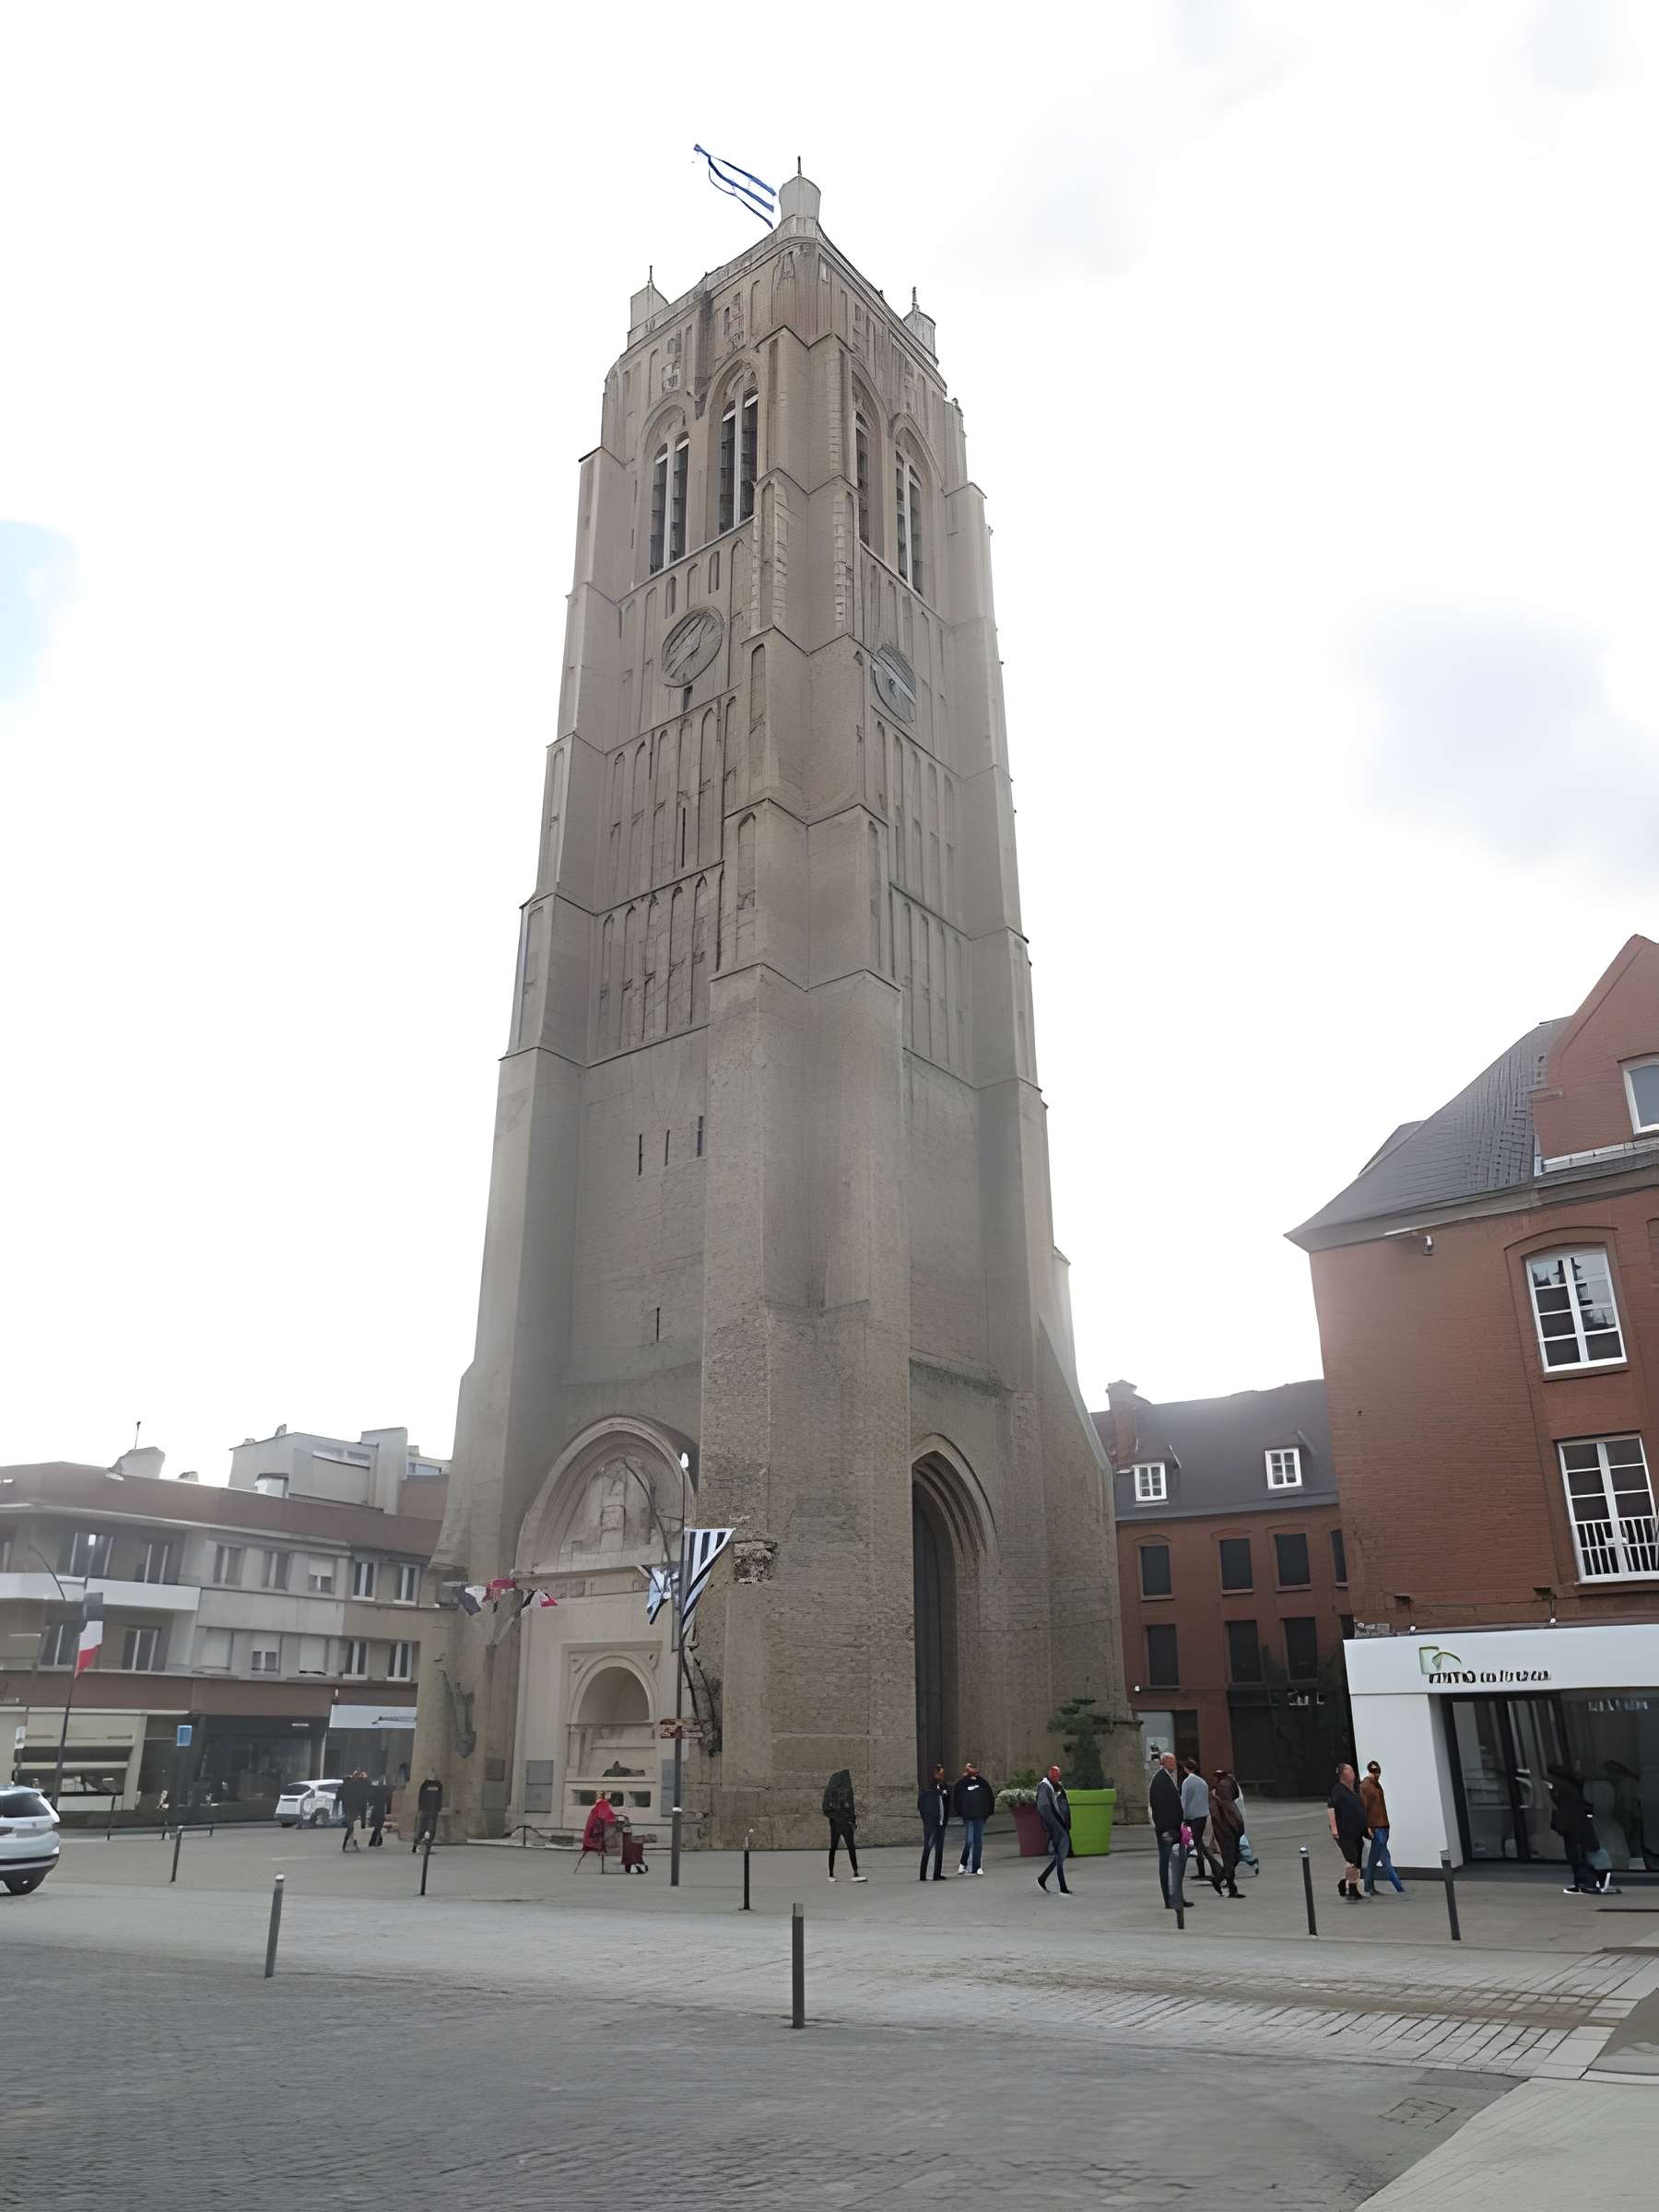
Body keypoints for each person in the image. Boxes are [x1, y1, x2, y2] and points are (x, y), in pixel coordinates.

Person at [1549, 1766, 1619, 1895]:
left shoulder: (1562, 1789)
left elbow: (1567, 1811)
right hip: (1575, 1827)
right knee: (1579, 1855)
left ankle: (1587, 1882)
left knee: (1579, 1856)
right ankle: (1584, 1882)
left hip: (1574, 1827)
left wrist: (1559, 1824)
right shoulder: (1571, 1788)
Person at [1149, 1751, 1192, 1909]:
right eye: (1172, 1762)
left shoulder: (1166, 1778)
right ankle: (1170, 1899)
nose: (1175, 1765)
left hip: (1172, 1829)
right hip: (1167, 1830)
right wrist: (1167, 1829)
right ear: (1165, 1762)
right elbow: (1160, 1807)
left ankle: (1176, 1897)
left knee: (1177, 1864)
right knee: (1168, 1864)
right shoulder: (1160, 1780)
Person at [1359, 1761, 1405, 1894]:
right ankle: (1399, 1887)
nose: (1376, 1774)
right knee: (1385, 1859)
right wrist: (1368, 1826)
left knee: (1373, 1860)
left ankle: (1368, 1886)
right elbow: (1364, 1807)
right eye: (1374, 1772)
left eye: (1377, 1772)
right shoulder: (1366, 1786)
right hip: (1377, 1828)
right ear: (1370, 1771)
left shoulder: (1376, 1785)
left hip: (1383, 1826)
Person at [1180, 1759, 1223, 1893]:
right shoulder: (1202, 1782)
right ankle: (1204, 1869)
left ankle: (1215, 1867)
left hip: (1191, 1817)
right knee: (1196, 1843)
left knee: (1192, 1842)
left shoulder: (1187, 1782)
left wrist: (1183, 1817)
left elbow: (1184, 1801)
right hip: (1202, 1815)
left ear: (1186, 1769)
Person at [1328, 1762, 1369, 1900]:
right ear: (1342, 1775)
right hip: (1344, 1832)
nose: (1352, 1774)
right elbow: (1331, 1809)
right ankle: (1351, 1889)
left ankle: (1346, 1884)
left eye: (1351, 1771)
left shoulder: (1354, 1790)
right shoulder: (1338, 1791)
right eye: (1349, 1772)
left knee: (1356, 1861)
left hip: (1357, 1832)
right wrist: (1334, 1830)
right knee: (1351, 1858)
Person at [823, 1768, 866, 1882]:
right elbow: (826, 1809)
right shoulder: (832, 1791)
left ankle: (855, 1871)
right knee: (834, 1847)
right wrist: (839, 1818)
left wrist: (852, 1821)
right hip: (838, 1823)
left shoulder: (846, 1790)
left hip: (845, 1823)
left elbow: (851, 1808)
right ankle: (831, 1873)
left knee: (850, 1847)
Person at [1207, 1768, 1245, 1899]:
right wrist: (1237, 1829)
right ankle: (1231, 1888)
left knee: (1233, 1858)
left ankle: (1219, 1879)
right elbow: (1232, 1818)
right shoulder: (1223, 1797)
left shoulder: (1221, 1795)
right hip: (1227, 1832)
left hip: (1226, 1831)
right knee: (1231, 1858)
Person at [953, 1762, 995, 1875]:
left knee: (978, 1841)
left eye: (974, 1768)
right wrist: (961, 1813)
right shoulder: (962, 1783)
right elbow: (957, 1799)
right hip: (968, 1817)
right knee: (970, 1840)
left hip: (980, 1816)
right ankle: (963, 1863)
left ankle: (977, 1867)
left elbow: (990, 1797)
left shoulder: (982, 1782)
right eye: (970, 1768)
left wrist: (988, 1812)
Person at [1036, 1765, 1072, 1894]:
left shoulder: (1054, 1788)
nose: (1058, 1779)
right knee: (1060, 1854)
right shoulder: (1045, 1787)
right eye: (1056, 1777)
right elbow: (1043, 1807)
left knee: (1060, 1855)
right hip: (1056, 1826)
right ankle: (1062, 1887)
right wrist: (1055, 1826)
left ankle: (1043, 1879)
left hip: (1059, 1826)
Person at [918, 1763, 951, 1883]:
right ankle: (923, 1874)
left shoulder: (943, 1787)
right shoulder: (928, 1790)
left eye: (942, 1773)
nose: (941, 1775)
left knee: (940, 1848)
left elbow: (947, 1800)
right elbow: (922, 1806)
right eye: (939, 1773)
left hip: (941, 1822)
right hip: (931, 1823)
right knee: (928, 1847)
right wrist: (927, 1819)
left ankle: (937, 1873)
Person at [411, 1772, 443, 1853]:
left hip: (425, 1810)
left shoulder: (425, 1784)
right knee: (430, 1830)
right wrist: (437, 1809)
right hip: (431, 1811)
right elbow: (440, 1798)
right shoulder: (438, 1785)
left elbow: (420, 1797)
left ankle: (417, 1845)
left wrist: (420, 1808)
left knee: (421, 1829)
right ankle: (423, 1846)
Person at [338, 1770, 368, 1852]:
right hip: (352, 1809)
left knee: (353, 1828)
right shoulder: (351, 1786)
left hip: (353, 1809)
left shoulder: (350, 1786)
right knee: (351, 1827)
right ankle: (347, 1844)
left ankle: (351, 1844)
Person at [366, 1774, 390, 1848]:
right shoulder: (383, 1791)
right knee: (378, 1826)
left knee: (378, 1827)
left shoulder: (376, 1791)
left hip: (376, 1809)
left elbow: (371, 1801)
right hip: (380, 1810)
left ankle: (377, 1841)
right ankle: (375, 1841)